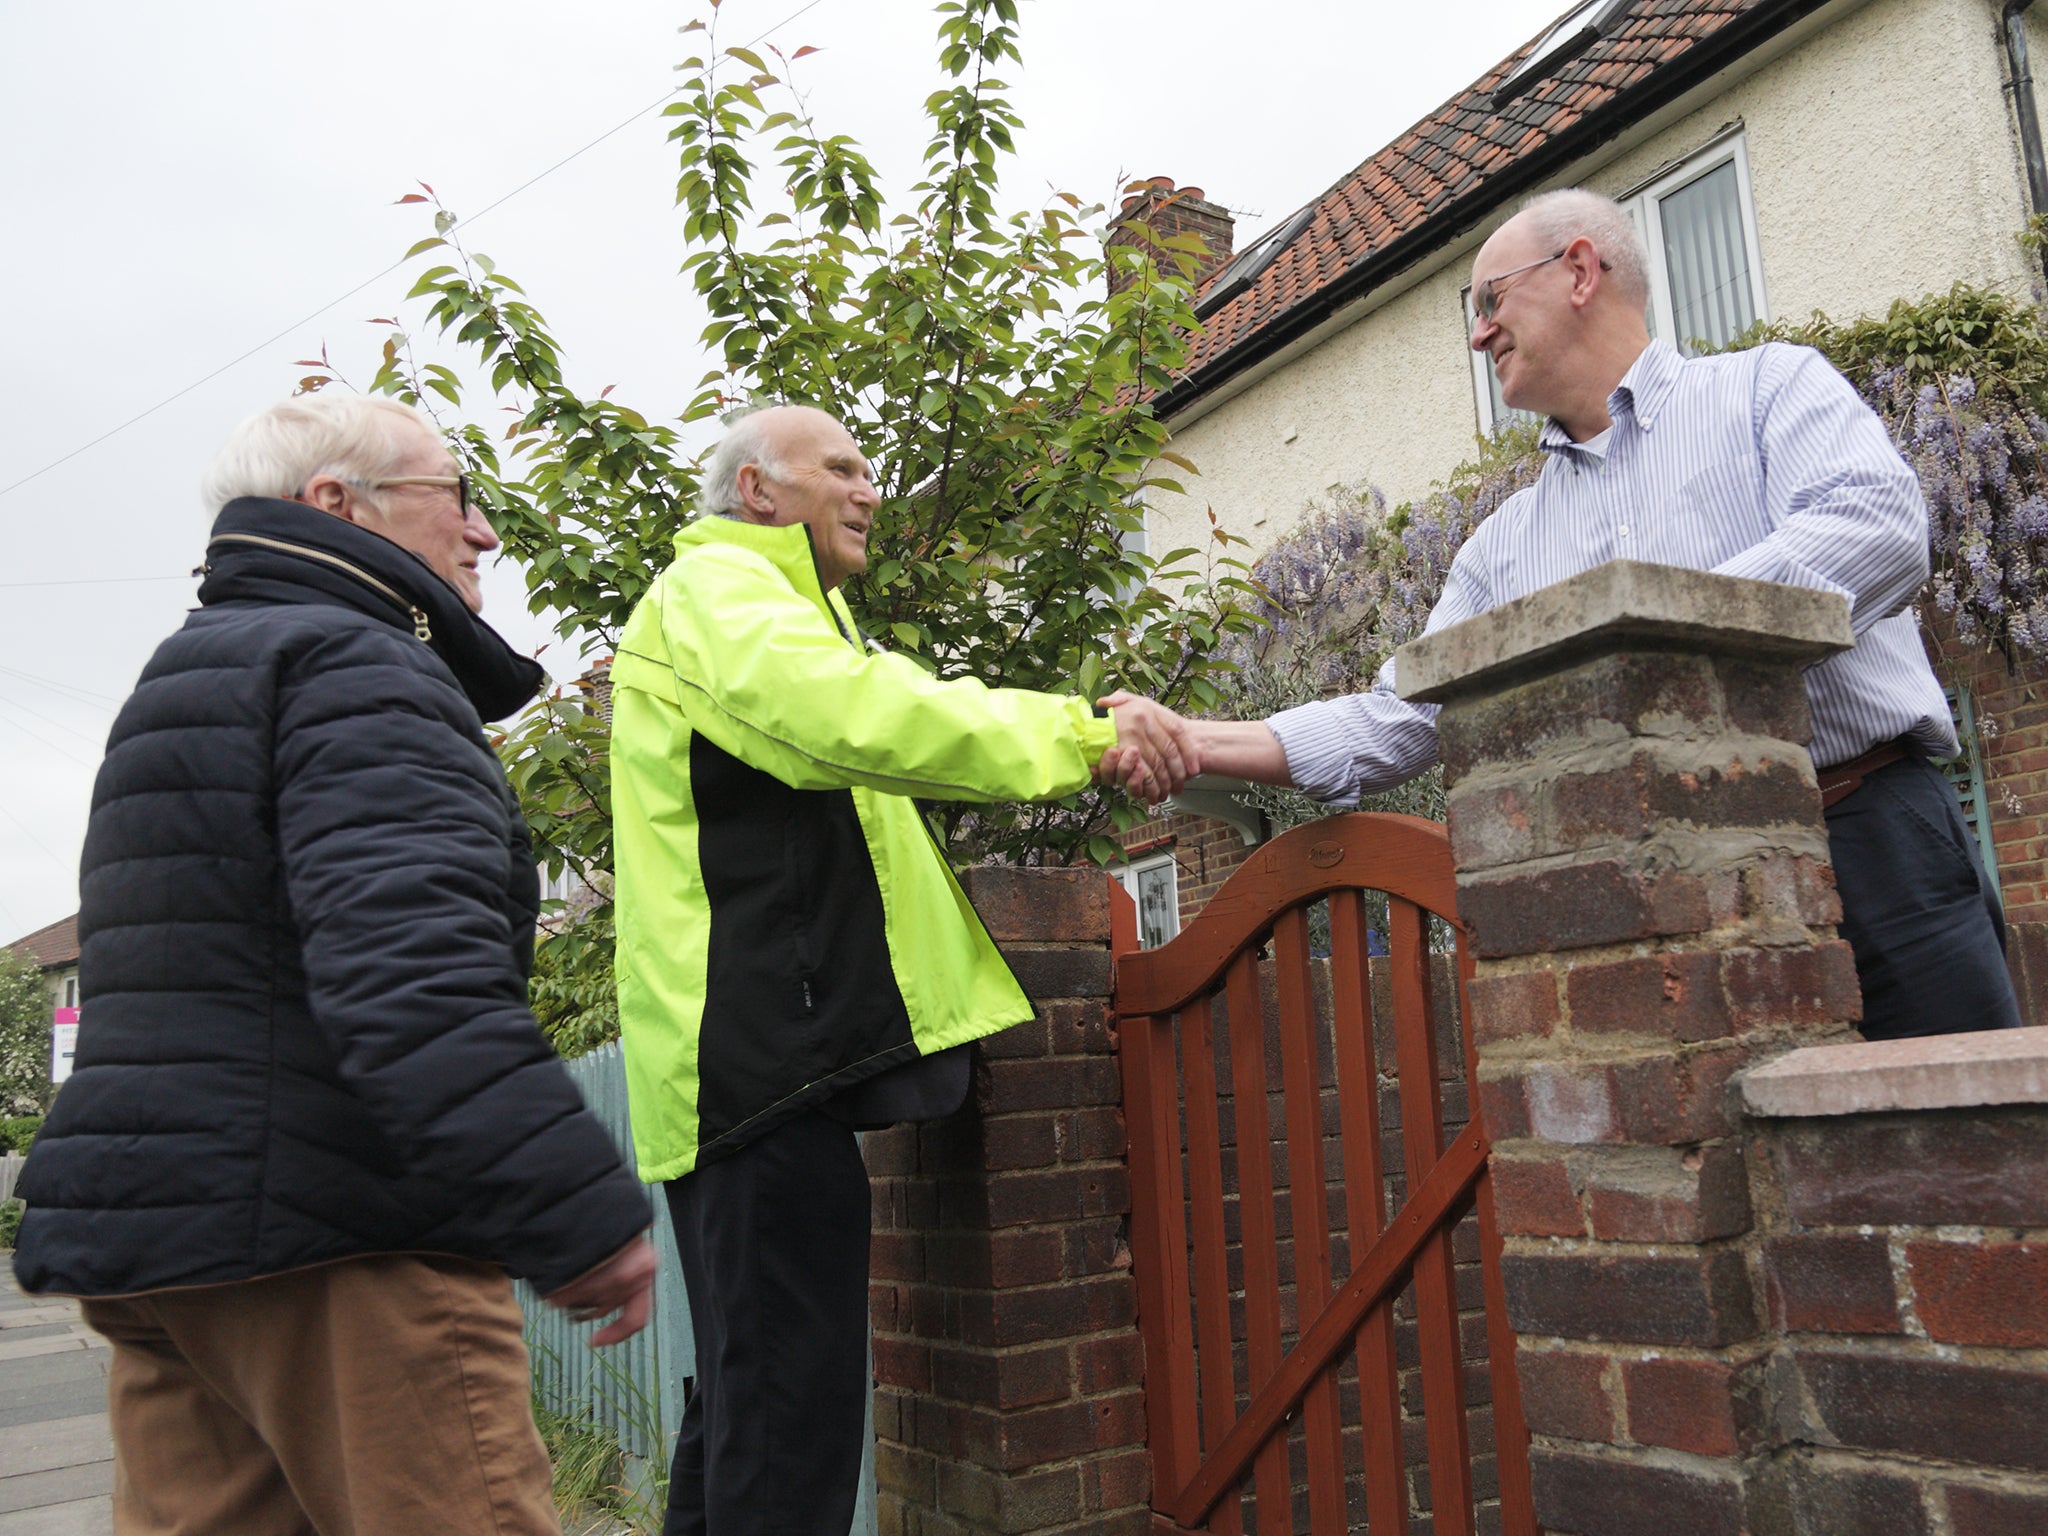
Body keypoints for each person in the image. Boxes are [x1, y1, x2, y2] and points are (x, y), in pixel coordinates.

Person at [13, 393, 658, 1535]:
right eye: (457, 497)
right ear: (334, 504)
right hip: (341, 1248)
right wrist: (573, 1209)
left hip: (164, 1256)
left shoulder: (188, 674)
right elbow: (412, 975)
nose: (483, 533)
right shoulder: (358, 670)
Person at [1176, 187, 2021, 1043]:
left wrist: (1640, 642)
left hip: (1869, 836)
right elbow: (1404, 716)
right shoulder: (1503, 546)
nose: (1478, 333)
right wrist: (1194, 742)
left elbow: (1874, 529)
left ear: (1580, 269)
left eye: (1490, 301)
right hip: (1665, 878)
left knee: (1957, 1140)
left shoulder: (1768, 390)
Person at [607, 403, 1192, 1535]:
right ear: (757, 493)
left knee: (752, 1415)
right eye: (842, 466)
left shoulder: (778, 613)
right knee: (786, 1434)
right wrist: (1079, 732)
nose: (870, 487)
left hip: (759, 1077)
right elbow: (860, 721)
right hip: (756, 1075)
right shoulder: (719, 597)